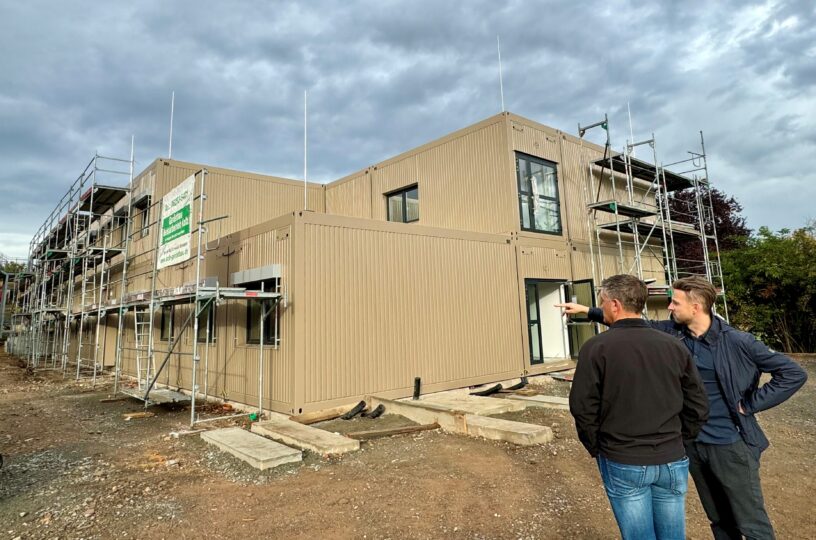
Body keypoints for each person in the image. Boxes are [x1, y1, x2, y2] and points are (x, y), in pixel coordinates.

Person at [558, 275, 808, 539]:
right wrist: (589, 311)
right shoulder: (674, 335)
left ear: (696, 307)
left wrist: (749, 404)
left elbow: (793, 374)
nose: (669, 307)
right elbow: (632, 322)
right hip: (691, 444)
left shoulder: (737, 341)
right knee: (719, 519)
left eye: (675, 302)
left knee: (750, 522)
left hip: (729, 443)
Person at [569, 274, 709, 540]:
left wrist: (597, 446)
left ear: (614, 305)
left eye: (602, 301)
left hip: (623, 458)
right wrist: (680, 440)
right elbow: (698, 404)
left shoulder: (596, 348)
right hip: (671, 458)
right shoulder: (674, 347)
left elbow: (582, 406)